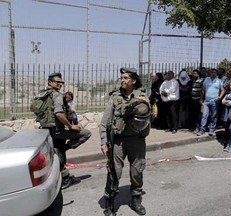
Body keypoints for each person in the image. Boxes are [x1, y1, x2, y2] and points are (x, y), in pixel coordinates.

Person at [99, 67, 151, 216]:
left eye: (126, 78)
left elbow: (147, 117)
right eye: (121, 77)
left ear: (133, 80)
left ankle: (136, 200)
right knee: (114, 172)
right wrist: (103, 141)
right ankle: (109, 203)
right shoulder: (115, 97)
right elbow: (105, 121)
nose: (122, 80)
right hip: (118, 141)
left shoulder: (142, 97)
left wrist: (140, 107)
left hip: (137, 140)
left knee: (137, 171)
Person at [40, 72, 91, 190]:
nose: (60, 84)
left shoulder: (43, 94)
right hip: (58, 131)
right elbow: (58, 114)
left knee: (58, 153)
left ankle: (63, 177)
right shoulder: (57, 95)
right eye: (57, 82)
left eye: (61, 82)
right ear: (50, 82)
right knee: (86, 133)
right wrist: (71, 126)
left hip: (46, 130)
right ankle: (65, 179)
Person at [197, 68, 225, 136]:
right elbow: (202, 90)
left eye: (215, 72)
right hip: (206, 101)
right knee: (204, 116)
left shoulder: (219, 81)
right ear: (210, 73)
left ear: (216, 73)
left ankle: (212, 129)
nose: (213, 73)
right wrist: (201, 99)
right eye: (212, 72)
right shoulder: (206, 80)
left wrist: (219, 98)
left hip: (214, 102)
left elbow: (223, 90)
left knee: (213, 116)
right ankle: (202, 129)